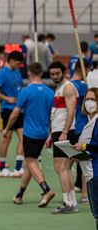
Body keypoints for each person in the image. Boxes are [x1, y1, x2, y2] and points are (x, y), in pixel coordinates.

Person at [3, 62, 55, 207]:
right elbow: (53, 114)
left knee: (31, 162)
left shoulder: (25, 91)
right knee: (29, 164)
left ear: (28, 73)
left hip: (31, 133)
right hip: (44, 133)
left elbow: (14, 114)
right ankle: (20, 194)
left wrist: (7, 129)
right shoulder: (50, 92)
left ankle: (47, 190)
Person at [47, 61, 79, 214]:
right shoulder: (59, 88)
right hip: (58, 131)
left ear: (64, 72)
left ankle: (68, 202)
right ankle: (71, 201)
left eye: (57, 74)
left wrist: (65, 132)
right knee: (63, 167)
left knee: (60, 167)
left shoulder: (68, 87)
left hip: (64, 131)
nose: (54, 77)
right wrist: (50, 134)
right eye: (52, 74)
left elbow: (71, 111)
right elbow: (56, 113)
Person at [72, 87, 98, 230]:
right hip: (90, 172)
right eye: (87, 99)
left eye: (93, 99)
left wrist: (83, 148)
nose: (89, 102)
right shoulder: (90, 121)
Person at [0, 50, 25, 177]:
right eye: (18, 63)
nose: (19, 66)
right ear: (12, 61)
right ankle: (2, 168)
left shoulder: (17, 71)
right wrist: (6, 98)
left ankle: (18, 168)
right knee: (6, 138)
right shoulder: (2, 73)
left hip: (20, 109)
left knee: (23, 137)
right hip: (8, 110)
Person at [71, 60, 90, 203]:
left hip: (70, 128)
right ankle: (84, 195)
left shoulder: (67, 85)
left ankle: (69, 195)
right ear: (85, 69)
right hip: (81, 128)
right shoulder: (83, 87)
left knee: (66, 164)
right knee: (84, 162)